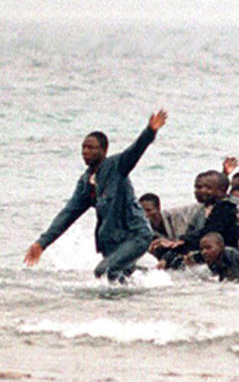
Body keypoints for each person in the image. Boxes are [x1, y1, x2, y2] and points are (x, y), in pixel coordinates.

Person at [24, 110, 168, 282]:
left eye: (91, 148)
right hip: (112, 243)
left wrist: (150, 131)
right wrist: (42, 243)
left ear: (104, 150)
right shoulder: (85, 183)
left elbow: (136, 150)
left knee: (103, 272)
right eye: (83, 147)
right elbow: (67, 215)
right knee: (121, 278)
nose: (85, 151)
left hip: (136, 235)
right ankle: (149, 286)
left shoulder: (117, 166)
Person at [152, 171, 239, 268]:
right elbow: (192, 233)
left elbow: (211, 232)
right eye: (197, 187)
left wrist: (181, 242)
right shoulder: (202, 210)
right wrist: (174, 245)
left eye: (208, 188)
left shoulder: (226, 207)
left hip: (228, 253)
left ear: (222, 190)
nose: (200, 191)